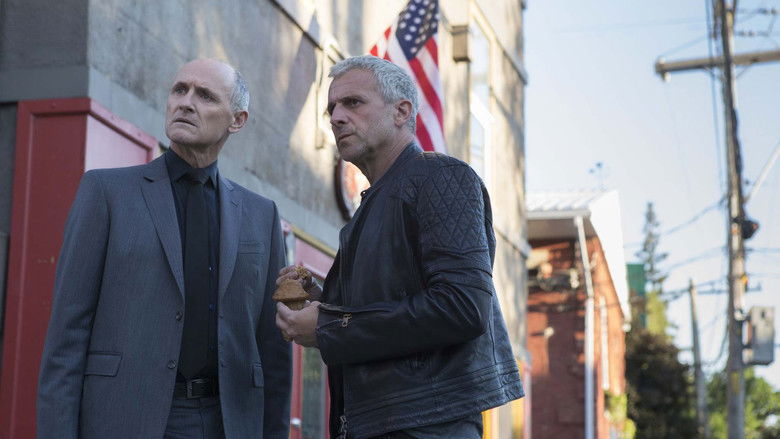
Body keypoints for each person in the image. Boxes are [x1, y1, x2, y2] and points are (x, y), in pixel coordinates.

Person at [37, 59, 291, 439]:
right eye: (179, 90)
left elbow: (273, 349)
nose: (185, 103)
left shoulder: (261, 214)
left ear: (237, 120)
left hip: (229, 421)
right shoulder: (106, 192)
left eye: (205, 96)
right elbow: (67, 334)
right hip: (125, 418)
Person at [275, 55, 524, 438]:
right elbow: (385, 312)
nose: (336, 117)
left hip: (427, 427)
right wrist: (321, 300)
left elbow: (462, 307)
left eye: (353, 102)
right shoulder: (374, 202)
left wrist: (329, 326)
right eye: (331, 108)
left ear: (401, 111)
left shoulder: (440, 175)